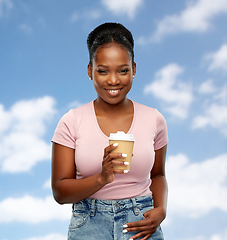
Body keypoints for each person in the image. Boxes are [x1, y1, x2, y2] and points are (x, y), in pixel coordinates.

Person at [51, 22, 168, 240]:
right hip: (89, 224)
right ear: (90, 71)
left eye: (123, 71)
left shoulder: (154, 119)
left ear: (133, 69)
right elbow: (59, 192)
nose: (113, 80)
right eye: (103, 71)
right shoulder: (72, 121)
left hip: (141, 223)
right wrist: (102, 177)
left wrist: (161, 210)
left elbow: (158, 174)